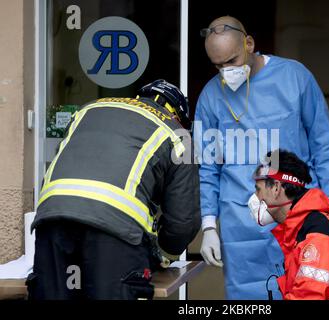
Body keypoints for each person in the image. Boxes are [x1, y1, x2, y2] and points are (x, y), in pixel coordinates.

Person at [194, 16, 329, 299]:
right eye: (218, 65)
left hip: (297, 213)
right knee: (248, 298)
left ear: (249, 43)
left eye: (232, 60)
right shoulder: (211, 96)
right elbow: (208, 167)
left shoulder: (295, 77)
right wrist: (209, 225)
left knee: (306, 289)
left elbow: (322, 140)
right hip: (240, 222)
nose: (227, 72)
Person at [27, 80, 200, 300]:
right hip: (114, 232)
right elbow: (183, 221)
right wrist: (163, 255)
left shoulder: (89, 109)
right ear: (178, 116)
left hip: (52, 219)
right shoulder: (178, 133)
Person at [249, 149, 329, 300]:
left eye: (258, 190)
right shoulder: (301, 229)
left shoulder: (317, 232)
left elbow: (308, 296)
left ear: (276, 188)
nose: (255, 198)